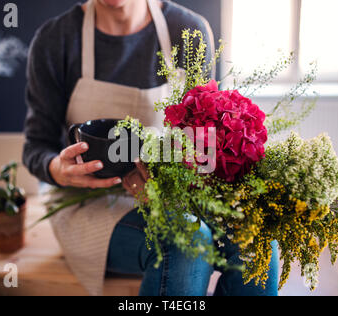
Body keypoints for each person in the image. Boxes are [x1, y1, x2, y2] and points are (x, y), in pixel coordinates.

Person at [23, 0, 278, 296]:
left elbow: (206, 142)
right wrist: (58, 169)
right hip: (86, 203)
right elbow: (35, 146)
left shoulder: (188, 31)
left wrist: (184, 169)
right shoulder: (55, 40)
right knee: (190, 239)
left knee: (257, 238)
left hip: (172, 197)